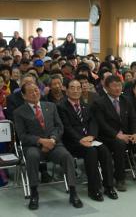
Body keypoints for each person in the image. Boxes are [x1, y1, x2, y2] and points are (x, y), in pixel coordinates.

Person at [14, 82, 82, 210]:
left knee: (67, 157)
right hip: (34, 146)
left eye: (36, 90)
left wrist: (52, 140)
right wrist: (41, 141)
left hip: (54, 144)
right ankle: (34, 192)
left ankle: (73, 192)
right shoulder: (19, 112)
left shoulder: (51, 106)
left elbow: (59, 127)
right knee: (32, 156)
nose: (35, 93)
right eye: (30, 92)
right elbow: (22, 136)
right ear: (23, 96)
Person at [58, 79, 118, 201]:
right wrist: (80, 139)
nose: (75, 90)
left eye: (78, 88)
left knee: (104, 150)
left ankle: (109, 186)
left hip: (90, 139)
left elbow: (93, 122)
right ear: (66, 90)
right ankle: (94, 189)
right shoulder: (61, 107)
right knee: (91, 152)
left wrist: (91, 136)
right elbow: (66, 127)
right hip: (73, 142)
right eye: (72, 88)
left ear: (81, 89)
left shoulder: (86, 105)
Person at [92, 76, 136, 191]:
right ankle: (120, 179)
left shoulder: (126, 100)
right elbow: (101, 124)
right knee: (119, 144)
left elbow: (134, 119)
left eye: (119, 85)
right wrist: (117, 135)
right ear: (106, 87)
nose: (117, 88)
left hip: (128, 134)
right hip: (109, 137)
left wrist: (135, 133)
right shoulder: (99, 103)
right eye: (114, 86)